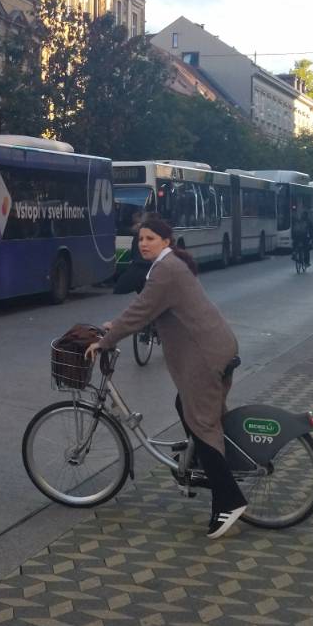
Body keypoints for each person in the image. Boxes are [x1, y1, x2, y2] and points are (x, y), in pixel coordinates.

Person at [87, 214, 246, 538]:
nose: (143, 244)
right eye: (140, 239)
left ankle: (229, 501)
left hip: (205, 355)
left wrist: (106, 341)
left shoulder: (166, 271)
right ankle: (206, 463)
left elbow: (141, 310)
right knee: (185, 406)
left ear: (166, 242)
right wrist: (115, 327)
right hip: (215, 347)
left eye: (150, 239)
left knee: (202, 424)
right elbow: (152, 310)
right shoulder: (169, 265)